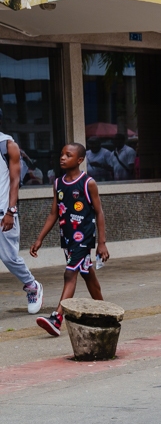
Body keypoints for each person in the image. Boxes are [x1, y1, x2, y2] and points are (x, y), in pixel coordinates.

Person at [30, 143, 108, 336]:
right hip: (67, 239)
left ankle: (57, 318)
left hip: (83, 238)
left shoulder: (88, 182)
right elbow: (53, 214)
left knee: (69, 274)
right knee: (87, 274)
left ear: (80, 160)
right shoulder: (58, 183)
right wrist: (40, 238)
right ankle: (105, 313)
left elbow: (99, 213)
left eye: (68, 155)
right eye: (62, 154)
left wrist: (102, 243)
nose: (62, 158)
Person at [0, 124, 42, 313]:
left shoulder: (7, 145)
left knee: (9, 258)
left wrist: (11, 211)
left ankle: (32, 285)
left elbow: (15, 180)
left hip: (3, 211)